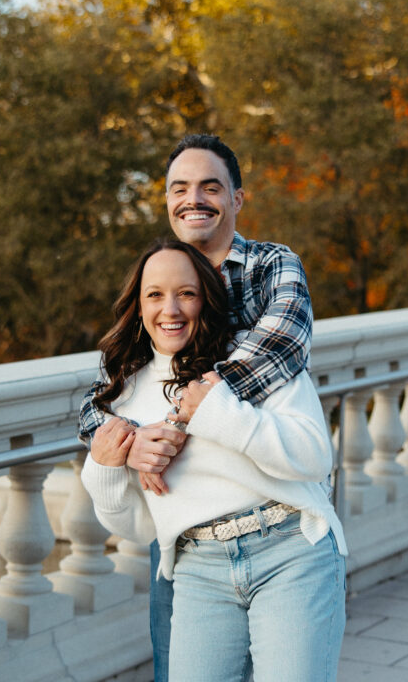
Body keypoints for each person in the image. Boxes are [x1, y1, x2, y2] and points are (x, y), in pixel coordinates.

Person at [78, 135, 315, 680]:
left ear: (237, 199)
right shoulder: (156, 282)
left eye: (211, 186)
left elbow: (281, 347)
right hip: (185, 535)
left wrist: (183, 419)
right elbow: (98, 409)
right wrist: (135, 442)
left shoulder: (270, 266)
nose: (195, 198)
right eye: (179, 188)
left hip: (274, 514)